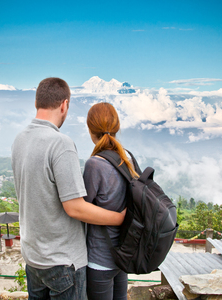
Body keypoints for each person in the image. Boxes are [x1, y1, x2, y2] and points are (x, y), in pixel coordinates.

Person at [11, 78, 126, 300]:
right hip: (63, 262)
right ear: (64, 105)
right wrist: (119, 219)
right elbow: (75, 208)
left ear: (37, 102)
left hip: (33, 257)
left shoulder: (19, 139)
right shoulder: (60, 143)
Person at [83, 102, 139, 300]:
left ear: (90, 130)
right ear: (117, 128)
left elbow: (83, 210)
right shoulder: (128, 159)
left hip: (100, 259)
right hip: (122, 255)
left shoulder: (94, 164)